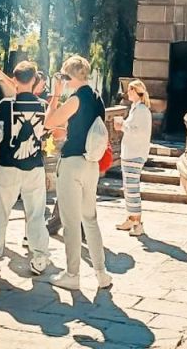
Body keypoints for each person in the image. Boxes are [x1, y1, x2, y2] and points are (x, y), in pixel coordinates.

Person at [44, 55, 111, 290]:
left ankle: (72, 274)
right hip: (91, 163)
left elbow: (49, 123)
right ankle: (101, 273)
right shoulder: (96, 97)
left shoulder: (76, 98)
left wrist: (54, 94)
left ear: (69, 75)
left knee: (72, 222)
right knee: (90, 219)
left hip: (72, 161)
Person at [0, 61, 50, 277]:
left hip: (8, 165)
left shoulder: (5, 106)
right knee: (36, 213)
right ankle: (39, 257)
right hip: (35, 166)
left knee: (0, 212)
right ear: (35, 80)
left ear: (15, 79)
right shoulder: (43, 106)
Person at [114, 79, 152, 237]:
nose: (127, 93)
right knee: (129, 189)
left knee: (132, 189)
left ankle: (137, 223)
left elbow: (138, 131)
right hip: (130, 153)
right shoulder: (136, 109)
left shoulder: (142, 110)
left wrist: (122, 125)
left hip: (135, 154)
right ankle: (131, 218)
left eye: (130, 90)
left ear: (137, 92)